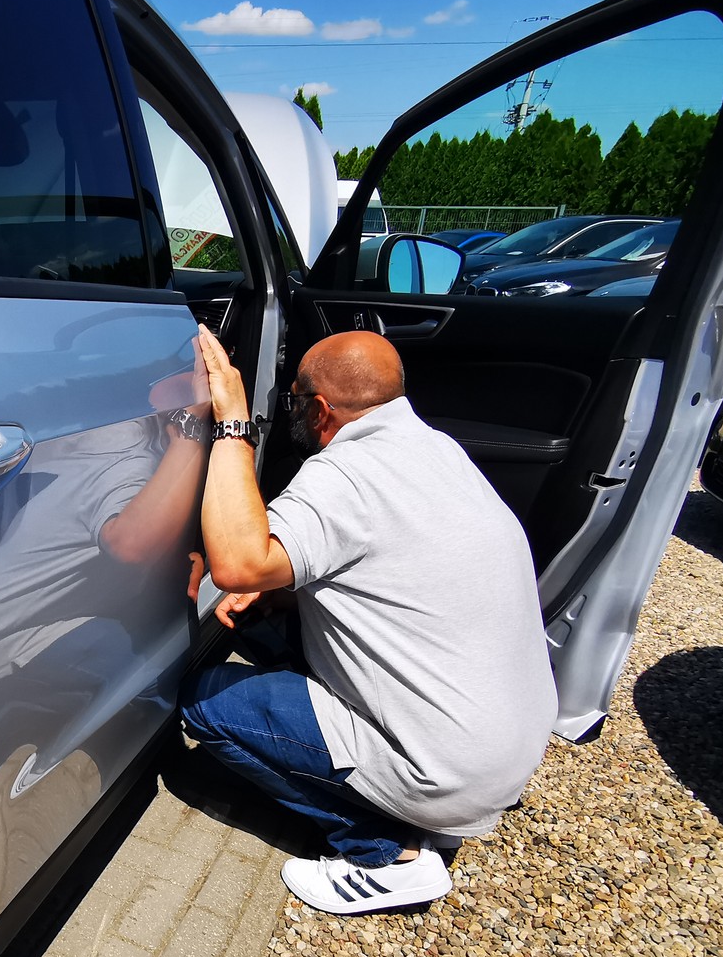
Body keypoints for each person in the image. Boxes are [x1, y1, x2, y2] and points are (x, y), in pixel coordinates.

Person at [181, 324, 555, 914]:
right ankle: (406, 796)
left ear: (320, 409)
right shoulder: (438, 449)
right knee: (261, 619)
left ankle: (385, 851)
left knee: (207, 701)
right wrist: (282, 593)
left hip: (447, 771)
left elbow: (237, 564)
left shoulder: (343, 476)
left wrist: (232, 422)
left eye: (297, 404)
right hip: (503, 742)